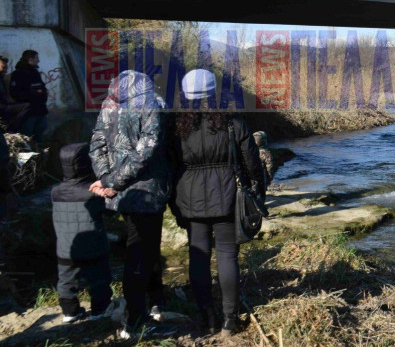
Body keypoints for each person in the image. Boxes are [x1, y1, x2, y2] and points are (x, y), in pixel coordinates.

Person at [168, 69, 266, 337]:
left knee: (198, 258)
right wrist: (258, 193)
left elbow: (171, 165)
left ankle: (206, 316)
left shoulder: (175, 125)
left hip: (188, 197)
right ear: (214, 94)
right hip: (226, 196)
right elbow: (252, 163)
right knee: (227, 256)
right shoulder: (233, 122)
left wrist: (174, 203)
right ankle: (229, 320)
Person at [89, 70, 169, 338]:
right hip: (145, 191)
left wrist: (105, 178)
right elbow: (148, 148)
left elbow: (96, 144)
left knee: (140, 248)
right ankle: (136, 318)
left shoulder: (108, 104)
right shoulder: (152, 103)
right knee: (142, 252)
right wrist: (113, 181)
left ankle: (154, 300)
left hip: (121, 194)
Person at [52, 143, 113, 323]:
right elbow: (109, 211)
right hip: (94, 247)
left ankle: (70, 312)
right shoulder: (92, 192)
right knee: (99, 279)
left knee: (66, 281)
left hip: (66, 249)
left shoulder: (55, 191)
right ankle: (99, 311)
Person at [9, 50, 47, 139]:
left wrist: (41, 94)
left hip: (40, 110)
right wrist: (33, 95)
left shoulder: (35, 73)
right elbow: (15, 93)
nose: (38, 60)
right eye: (37, 58)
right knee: (27, 135)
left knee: (41, 130)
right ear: (30, 59)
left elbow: (42, 88)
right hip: (28, 113)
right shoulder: (18, 74)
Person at [0, 55, 30, 133]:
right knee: (27, 107)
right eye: (3, 67)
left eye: (6, 68)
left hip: (4, 106)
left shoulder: (2, 79)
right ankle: (12, 130)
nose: (5, 70)